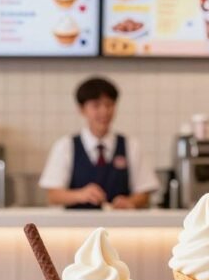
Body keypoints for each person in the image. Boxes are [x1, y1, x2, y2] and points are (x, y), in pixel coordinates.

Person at [39, 77, 160, 209]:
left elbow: (144, 193)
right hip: (76, 227)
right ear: (82, 109)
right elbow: (53, 195)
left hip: (120, 227)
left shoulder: (131, 146)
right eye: (96, 106)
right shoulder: (65, 146)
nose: (104, 111)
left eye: (109, 105)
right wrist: (80, 195)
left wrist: (130, 202)